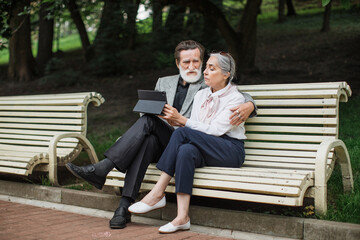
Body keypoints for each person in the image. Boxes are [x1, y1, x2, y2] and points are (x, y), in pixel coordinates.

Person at [65, 40, 256, 229]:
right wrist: (166, 119)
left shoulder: (206, 85)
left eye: (197, 62)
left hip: (197, 139)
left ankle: (120, 183)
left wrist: (250, 105)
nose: (193, 67)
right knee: (148, 134)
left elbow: (237, 94)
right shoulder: (167, 83)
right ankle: (125, 206)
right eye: (186, 62)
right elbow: (148, 114)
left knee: (167, 135)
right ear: (177, 63)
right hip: (172, 138)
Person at [128, 52, 246, 234]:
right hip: (206, 145)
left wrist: (182, 121)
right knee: (185, 150)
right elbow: (196, 129)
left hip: (229, 150)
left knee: (183, 132)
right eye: (206, 67)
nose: (205, 71)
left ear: (226, 74)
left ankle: (158, 192)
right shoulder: (201, 95)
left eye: (211, 68)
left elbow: (215, 130)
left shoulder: (235, 99)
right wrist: (175, 120)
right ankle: (182, 217)